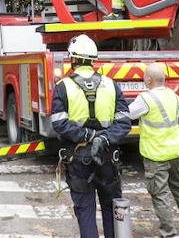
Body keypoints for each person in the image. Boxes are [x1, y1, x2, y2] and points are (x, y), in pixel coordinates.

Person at [51, 34, 131, 238]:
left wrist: (87, 135)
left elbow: (59, 124)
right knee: (110, 207)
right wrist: (102, 138)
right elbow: (123, 123)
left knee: (85, 211)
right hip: (107, 157)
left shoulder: (63, 87)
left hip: (78, 158)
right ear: (93, 60)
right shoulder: (111, 85)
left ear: (73, 59)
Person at [129, 63, 179, 236]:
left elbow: (128, 114)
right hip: (175, 152)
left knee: (160, 195)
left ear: (148, 79)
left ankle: (168, 233)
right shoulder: (173, 96)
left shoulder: (145, 98)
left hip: (156, 154)